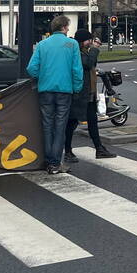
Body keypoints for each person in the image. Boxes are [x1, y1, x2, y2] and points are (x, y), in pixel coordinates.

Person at [27, 16, 84, 175]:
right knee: (60, 126)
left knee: (47, 125)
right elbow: (77, 70)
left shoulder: (42, 44)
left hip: (45, 90)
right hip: (64, 90)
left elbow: (32, 68)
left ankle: (48, 160)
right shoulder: (71, 44)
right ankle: (55, 162)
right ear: (65, 27)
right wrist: (76, 87)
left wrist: (43, 76)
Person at [64, 31, 116, 162]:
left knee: (92, 122)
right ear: (83, 41)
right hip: (80, 94)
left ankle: (99, 148)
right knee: (72, 122)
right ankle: (68, 151)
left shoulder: (84, 51)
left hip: (89, 93)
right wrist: (94, 50)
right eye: (89, 40)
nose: (91, 43)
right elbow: (87, 64)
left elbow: (92, 64)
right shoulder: (77, 52)